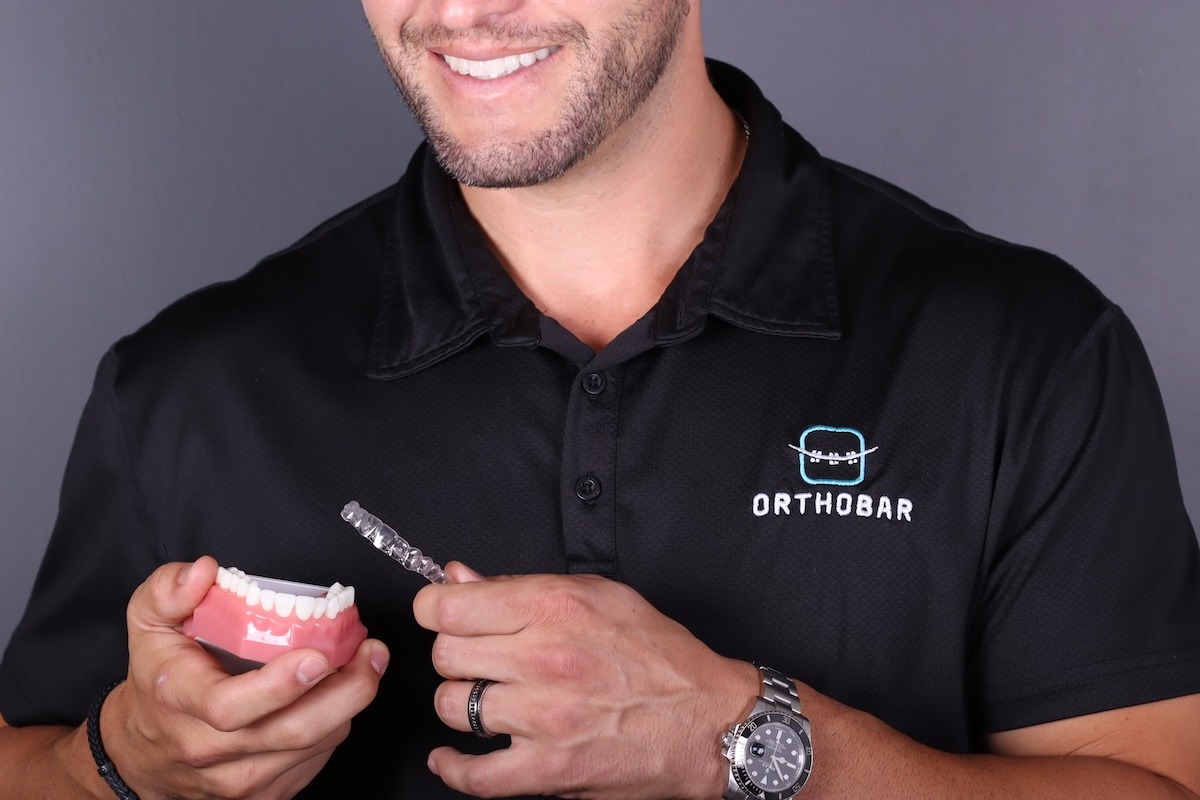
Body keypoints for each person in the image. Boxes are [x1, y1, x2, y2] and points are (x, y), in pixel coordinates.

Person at [1, 1, 1198, 797]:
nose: (464, 11)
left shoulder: (1026, 347)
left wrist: (740, 734)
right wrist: (127, 758)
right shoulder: (188, 382)